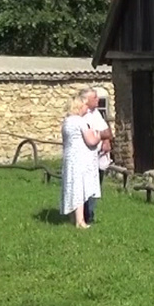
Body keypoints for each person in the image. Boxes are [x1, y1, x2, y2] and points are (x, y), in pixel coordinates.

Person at [60, 95, 109, 228]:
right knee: (79, 189)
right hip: (79, 159)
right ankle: (80, 221)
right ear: (79, 107)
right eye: (84, 106)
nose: (86, 108)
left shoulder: (67, 121)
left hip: (69, 158)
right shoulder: (80, 121)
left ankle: (71, 217)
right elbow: (91, 140)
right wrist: (100, 135)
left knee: (71, 186)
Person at [80, 87, 112, 223]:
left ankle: (90, 213)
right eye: (95, 98)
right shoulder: (80, 115)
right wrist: (100, 136)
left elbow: (106, 131)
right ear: (86, 100)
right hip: (86, 155)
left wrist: (106, 141)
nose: (98, 100)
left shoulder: (96, 113)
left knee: (95, 184)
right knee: (85, 185)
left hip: (98, 155)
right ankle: (84, 215)